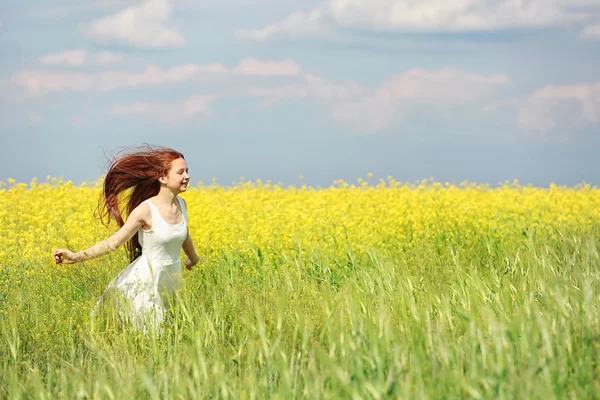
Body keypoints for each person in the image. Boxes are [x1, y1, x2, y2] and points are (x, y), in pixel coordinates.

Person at [53, 145, 200, 329]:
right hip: (147, 283)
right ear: (163, 177)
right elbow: (113, 243)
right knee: (152, 334)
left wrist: (193, 258)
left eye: (187, 171)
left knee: (171, 333)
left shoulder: (182, 204)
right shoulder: (146, 210)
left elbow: (183, 235)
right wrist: (76, 256)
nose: (187, 176)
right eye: (180, 172)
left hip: (171, 280)